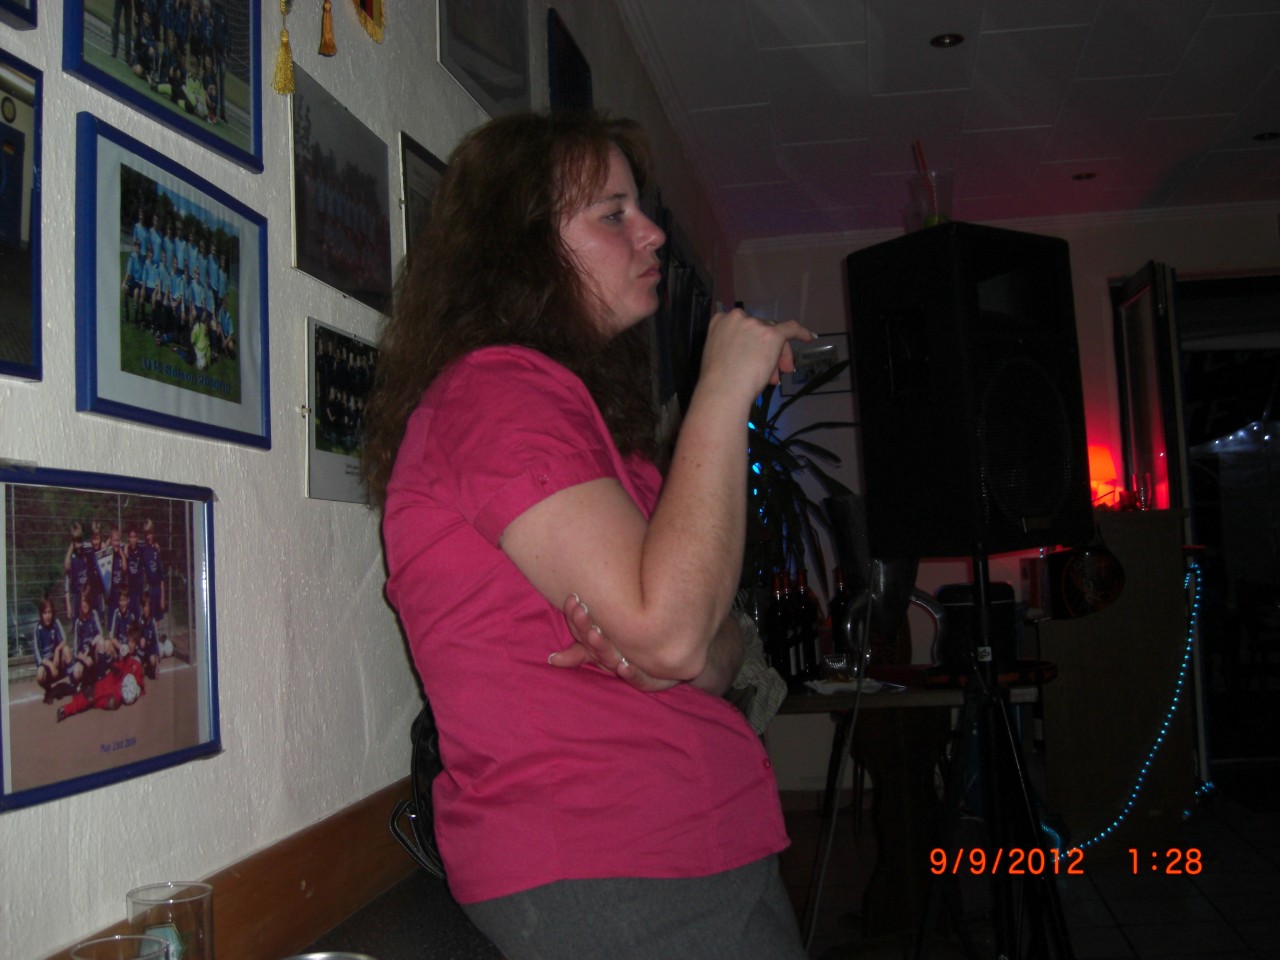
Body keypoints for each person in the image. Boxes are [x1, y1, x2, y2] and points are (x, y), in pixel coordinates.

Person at [360, 111, 812, 960]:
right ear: (522, 250)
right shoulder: (494, 393)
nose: (652, 233)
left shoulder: (593, 431)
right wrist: (722, 392)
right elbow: (677, 633)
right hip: (611, 858)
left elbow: (711, 649)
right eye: (613, 214)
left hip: (683, 844)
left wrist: (682, 648)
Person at [33, 598, 71, 704]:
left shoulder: (55, 622)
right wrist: (50, 665)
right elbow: (38, 655)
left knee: (66, 650)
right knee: (40, 675)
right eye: (45, 613)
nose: (47, 616)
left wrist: (58, 650)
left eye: (49, 612)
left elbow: (64, 639)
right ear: (41, 614)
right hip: (47, 663)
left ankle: (73, 680)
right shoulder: (37, 628)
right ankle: (48, 690)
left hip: (56, 660)